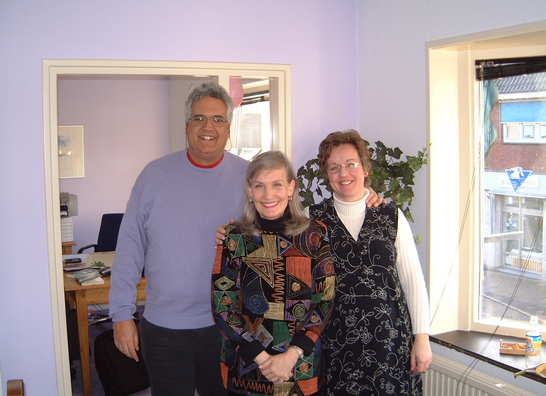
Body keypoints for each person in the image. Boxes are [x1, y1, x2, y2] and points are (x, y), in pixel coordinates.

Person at [109, 82, 249, 396]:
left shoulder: (250, 178)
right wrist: (121, 314)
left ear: (228, 129)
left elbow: (276, 238)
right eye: (199, 118)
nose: (208, 127)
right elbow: (129, 247)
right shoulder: (153, 175)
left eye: (217, 119)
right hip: (164, 329)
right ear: (187, 126)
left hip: (228, 324)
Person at [308, 129, 432, 396]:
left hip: (390, 344)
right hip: (336, 347)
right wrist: (232, 235)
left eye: (351, 164)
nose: (343, 173)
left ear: (365, 168)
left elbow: (412, 281)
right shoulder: (312, 220)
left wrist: (422, 338)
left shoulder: (391, 216)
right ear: (327, 175)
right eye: (334, 167)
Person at [212, 151, 335, 396]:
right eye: (259, 186)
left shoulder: (314, 235)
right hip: (246, 369)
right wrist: (261, 358)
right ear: (250, 191)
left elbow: (325, 300)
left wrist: (292, 355)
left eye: (277, 184)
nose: (268, 195)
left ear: (291, 188)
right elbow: (222, 306)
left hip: (299, 368)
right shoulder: (233, 238)